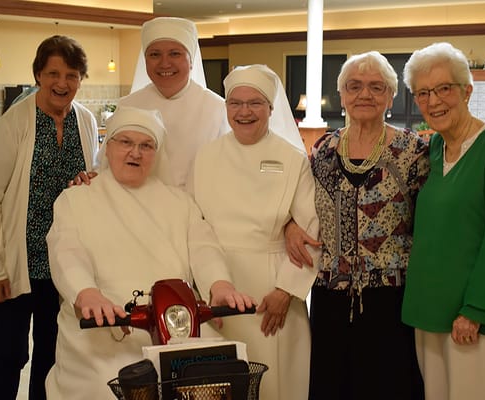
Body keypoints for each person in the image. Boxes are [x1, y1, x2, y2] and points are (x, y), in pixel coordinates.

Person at [44, 106, 254, 399]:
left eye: (146, 145)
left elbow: (203, 246)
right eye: (126, 142)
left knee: (222, 378)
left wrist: (219, 284)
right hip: (104, 329)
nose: (136, 153)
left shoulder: (178, 201)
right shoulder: (76, 199)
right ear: (108, 147)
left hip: (176, 329)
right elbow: (66, 250)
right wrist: (86, 293)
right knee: (111, 386)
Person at [288, 51, 430, 399]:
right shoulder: (322, 151)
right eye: (355, 86)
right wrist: (289, 224)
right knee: (331, 384)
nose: (364, 95)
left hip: (391, 299)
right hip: (329, 296)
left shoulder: (413, 152)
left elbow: (431, 219)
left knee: (386, 385)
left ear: (391, 96)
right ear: (342, 95)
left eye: (376, 87)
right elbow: (297, 202)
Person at [400, 42, 485, 400]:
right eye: (423, 93)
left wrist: (474, 309)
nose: (434, 101)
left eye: (444, 88)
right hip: (430, 307)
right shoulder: (435, 149)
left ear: (467, 91)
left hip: (473, 313)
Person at [0, 35, 99, 400]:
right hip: (18, 262)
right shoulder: (14, 125)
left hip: (64, 264)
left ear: (80, 79)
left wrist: (90, 180)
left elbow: (95, 178)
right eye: (53, 73)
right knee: (9, 352)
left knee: (53, 352)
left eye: (71, 75)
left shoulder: (86, 122)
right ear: (38, 75)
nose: (62, 83)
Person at [192, 64, 318, 400]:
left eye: (255, 103)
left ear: (271, 109)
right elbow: (195, 225)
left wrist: (286, 291)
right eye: (235, 103)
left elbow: (311, 230)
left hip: (272, 291)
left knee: (277, 382)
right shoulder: (206, 156)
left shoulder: (292, 159)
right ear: (226, 108)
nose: (244, 112)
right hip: (216, 283)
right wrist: (206, 284)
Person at [117, 16, 231, 193]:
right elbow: (107, 165)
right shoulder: (128, 105)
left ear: (191, 60)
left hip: (198, 210)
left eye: (174, 53)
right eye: (155, 54)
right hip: (137, 207)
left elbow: (228, 170)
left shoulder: (217, 108)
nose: (164, 63)